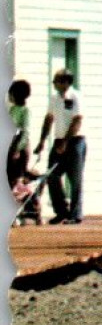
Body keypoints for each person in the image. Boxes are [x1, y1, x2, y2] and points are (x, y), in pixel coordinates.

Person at [35, 69, 85, 225]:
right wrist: (42, 141)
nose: (53, 84)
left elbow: (77, 120)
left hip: (75, 140)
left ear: (65, 82)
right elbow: (49, 119)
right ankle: (61, 210)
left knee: (75, 178)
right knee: (52, 174)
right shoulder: (54, 98)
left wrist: (66, 141)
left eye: (56, 81)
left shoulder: (76, 97)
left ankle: (75, 214)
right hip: (58, 139)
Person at [8, 80, 37, 222]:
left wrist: (18, 149)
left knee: (17, 180)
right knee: (9, 181)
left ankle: (27, 208)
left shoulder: (25, 111)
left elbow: (25, 132)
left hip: (20, 148)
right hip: (10, 147)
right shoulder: (12, 109)